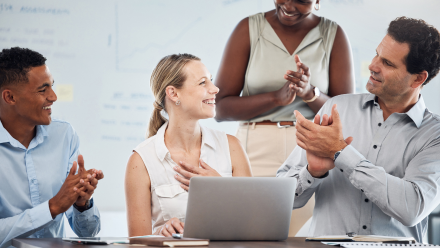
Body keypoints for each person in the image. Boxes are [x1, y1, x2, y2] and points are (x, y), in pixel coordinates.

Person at [277, 17, 440, 242]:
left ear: (418, 78)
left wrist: (341, 153)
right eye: (376, 54)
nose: (373, 66)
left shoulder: (435, 136)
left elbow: (412, 208)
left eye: (388, 63)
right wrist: (312, 172)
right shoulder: (337, 109)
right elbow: (283, 198)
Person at [214, 0, 355, 235]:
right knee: (250, 234)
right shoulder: (249, 29)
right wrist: (276, 99)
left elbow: (346, 113)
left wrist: (310, 94)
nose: (288, 6)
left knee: (304, 236)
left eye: (301, 1)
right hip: (254, 150)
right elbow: (219, 109)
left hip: (311, 150)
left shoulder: (333, 35)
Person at [125, 54, 252, 237]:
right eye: (203, 83)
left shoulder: (232, 147)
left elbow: (253, 226)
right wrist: (160, 233)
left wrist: (222, 190)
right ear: (173, 93)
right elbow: (138, 243)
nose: (215, 89)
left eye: (211, 81)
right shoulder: (141, 161)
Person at [0, 47, 104, 248]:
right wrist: (52, 207)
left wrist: (81, 204)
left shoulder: (64, 135)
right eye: (43, 90)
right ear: (10, 97)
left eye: (52, 86)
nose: (54, 97)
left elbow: (88, 234)